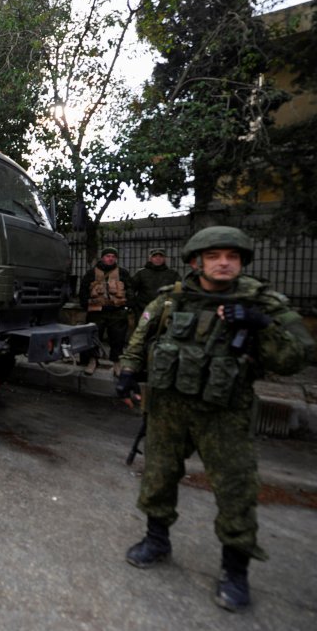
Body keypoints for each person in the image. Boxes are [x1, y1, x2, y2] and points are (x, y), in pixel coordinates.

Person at [116, 226, 313, 613]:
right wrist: (125, 375)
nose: (224, 263)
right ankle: (156, 539)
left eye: (232, 257)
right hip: (169, 409)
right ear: (196, 262)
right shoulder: (170, 300)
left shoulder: (262, 302)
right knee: (158, 475)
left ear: (241, 263)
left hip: (224, 413)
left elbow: (295, 357)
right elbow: (139, 340)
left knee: (236, 489)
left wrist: (259, 323)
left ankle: (235, 571)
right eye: (214, 256)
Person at [79, 247, 132, 375]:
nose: (110, 258)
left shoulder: (123, 273)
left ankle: (117, 362)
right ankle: (93, 360)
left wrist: (127, 305)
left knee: (118, 339)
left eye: (113, 256)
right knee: (94, 337)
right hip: (97, 311)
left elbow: (130, 289)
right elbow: (83, 290)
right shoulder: (91, 273)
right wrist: (86, 305)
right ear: (102, 257)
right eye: (108, 256)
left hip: (117, 311)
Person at [130, 248, 181, 318]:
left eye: (161, 256)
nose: (158, 258)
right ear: (150, 258)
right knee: (144, 327)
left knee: (162, 328)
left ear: (165, 259)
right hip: (144, 310)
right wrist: (134, 305)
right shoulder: (141, 273)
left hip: (164, 311)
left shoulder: (172, 274)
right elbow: (130, 289)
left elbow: (179, 290)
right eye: (155, 256)